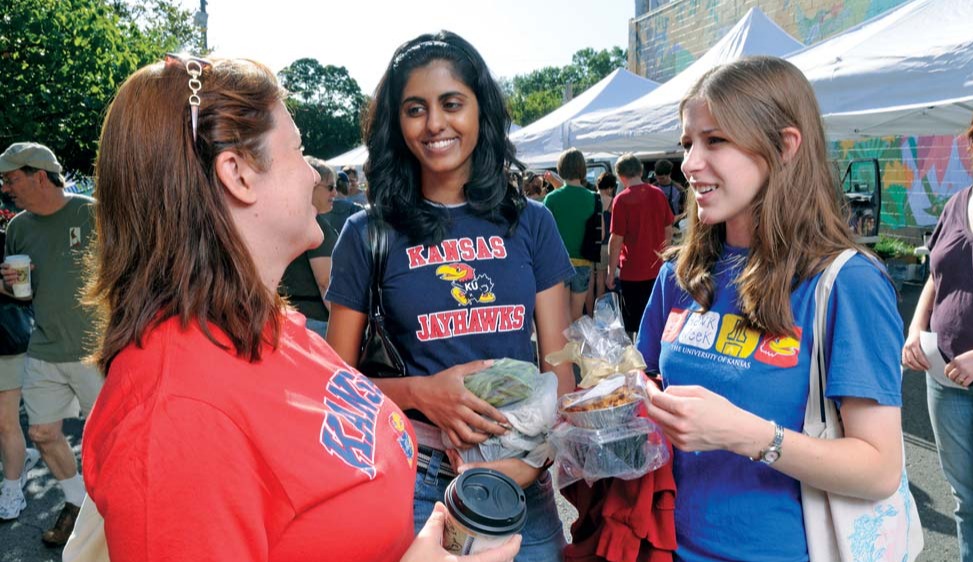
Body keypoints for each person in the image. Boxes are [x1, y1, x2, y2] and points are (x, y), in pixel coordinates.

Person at [83, 54, 520, 562]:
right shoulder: (175, 417)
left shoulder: (268, 326)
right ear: (239, 174)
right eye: (299, 150)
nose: (313, 172)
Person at [637, 56, 906, 560]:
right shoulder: (680, 274)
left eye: (715, 140)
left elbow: (878, 468)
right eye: (688, 143)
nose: (690, 163)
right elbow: (643, 385)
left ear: (784, 147)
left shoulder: (847, 283)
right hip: (667, 548)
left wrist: (749, 435)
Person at [326, 31, 574, 562]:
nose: (435, 123)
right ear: (397, 123)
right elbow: (333, 388)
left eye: (451, 104)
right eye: (416, 108)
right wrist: (421, 393)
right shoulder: (368, 233)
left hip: (520, 483)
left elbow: (561, 367)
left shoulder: (532, 223)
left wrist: (535, 458)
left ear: (481, 112)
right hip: (414, 478)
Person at [902, 97, 973, 562]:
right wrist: (915, 329)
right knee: (968, 505)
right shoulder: (958, 202)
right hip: (944, 379)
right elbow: (936, 280)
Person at [0, 142, 100, 546]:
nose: (6, 187)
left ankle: (107, 513)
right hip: (44, 345)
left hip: (95, 348)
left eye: (12, 178)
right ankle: (77, 504)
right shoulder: (19, 229)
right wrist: (10, 284)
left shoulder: (93, 214)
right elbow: (22, 295)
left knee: (104, 438)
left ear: (40, 176)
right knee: (41, 432)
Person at [0, 205, 40, 522]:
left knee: (6, 422)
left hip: (4, 342)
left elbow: (25, 294)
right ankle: (21, 458)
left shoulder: (6, 242)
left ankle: (12, 489)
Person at [606, 153, 672, 336]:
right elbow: (669, 229)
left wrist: (611, 272)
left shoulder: (620, 200)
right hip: (657, 267)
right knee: (657, 318)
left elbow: (616, 240)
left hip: (632, 270)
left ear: (620, 176)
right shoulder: (658, 193)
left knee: (633, 323)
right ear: (641, 171)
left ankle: (638, 358)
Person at [278, 156, 337, 337]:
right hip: (315, 324)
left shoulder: (282, 220)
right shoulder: (316, 226)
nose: (335, 193)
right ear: (311, 185)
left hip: (287, 319)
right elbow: (325, 282)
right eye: (330, 187)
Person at [544, 148, 601, 320]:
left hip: (557, 264)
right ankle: (575, 347)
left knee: (560, 317)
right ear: (582, 169)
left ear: (560, 169)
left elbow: (544, 235)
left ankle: (562, 347)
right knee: (576, 317)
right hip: (583, 262)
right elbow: (602, 231)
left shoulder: (551, 199)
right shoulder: (594, 198)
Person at [592, 172, 616, 304]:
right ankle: (600, 307)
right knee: (602, 278)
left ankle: (590, 310)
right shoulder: (611, 202)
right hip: (605, 244)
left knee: (591, 281)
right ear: (610, 187)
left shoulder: (591, 198)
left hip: (590, 245)